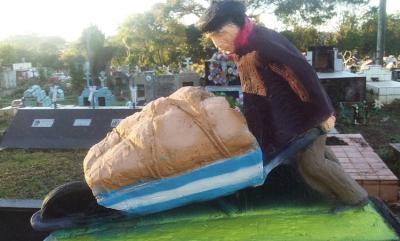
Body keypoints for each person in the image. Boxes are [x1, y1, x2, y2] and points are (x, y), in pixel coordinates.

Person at [198, 0, 368, 207]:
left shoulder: (264, 43)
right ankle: (340, 191)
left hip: (306, 117)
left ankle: (356, 198)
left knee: (312, 164)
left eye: (219, 36)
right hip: (287, 122)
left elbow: (303, 73)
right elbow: (256, 90)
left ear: (231, 28)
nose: (217, 44)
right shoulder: (244, 50)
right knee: (314, 158)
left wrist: (325, 113)